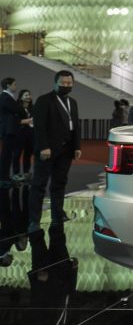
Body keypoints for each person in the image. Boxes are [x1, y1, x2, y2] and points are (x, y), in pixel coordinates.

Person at [28, 70, 81, 233]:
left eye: (69, 83)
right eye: (63, 83)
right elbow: (40, 127)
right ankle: (34, 221)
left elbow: (75, 126)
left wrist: (77, 146)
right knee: (39, 185)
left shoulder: (73, 102)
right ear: (55, 83)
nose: (66, 86)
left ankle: (57, 214)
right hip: (47, 150)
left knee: (59, 183)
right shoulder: (44, 100)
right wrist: (43, 147)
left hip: (66, 151)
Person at [0, 77, 20, 184]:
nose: (16, 86)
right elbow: (16, 109)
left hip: (10, 130)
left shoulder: (7, 97)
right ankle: (3, 177)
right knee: (6, 155)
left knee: (7, 154)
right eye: (14, 84)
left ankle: (5, 176)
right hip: (8, 130)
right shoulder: (5, 97)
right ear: (8, 85)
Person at [12, 89, 35, 182]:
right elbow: (14, 121)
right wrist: (27, 121)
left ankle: (26, 173)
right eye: (26, 95)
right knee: (17, 154)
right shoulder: (16, 107)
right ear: (21, 97)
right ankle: (16, 173)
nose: (28, 96)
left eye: (29, 95)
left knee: (28, 154)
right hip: (19, 134)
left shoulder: (32, 107)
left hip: (30, 134)